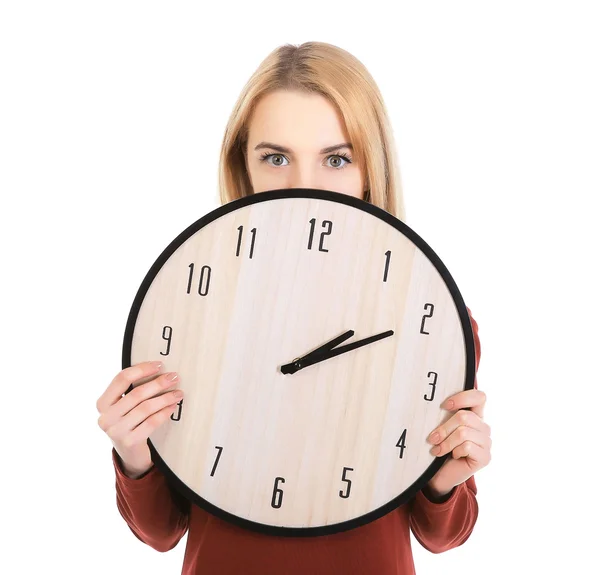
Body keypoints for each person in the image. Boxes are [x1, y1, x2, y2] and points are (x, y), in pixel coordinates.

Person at [96, 41, 492, 575]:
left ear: (370, 169)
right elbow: (162, 531)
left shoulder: (435, 320)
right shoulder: (186, 307)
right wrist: (133, 452)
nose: (305, 185)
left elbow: (440, 536)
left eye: (336, 158)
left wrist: (449, 476)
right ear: (245, 166)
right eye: (276, 157)